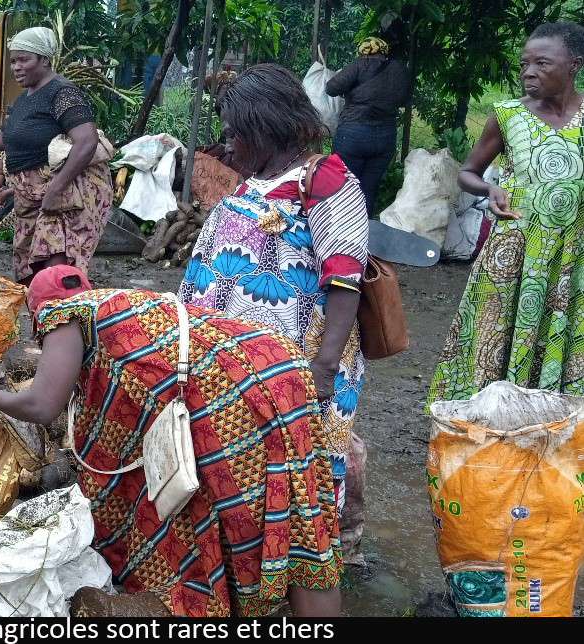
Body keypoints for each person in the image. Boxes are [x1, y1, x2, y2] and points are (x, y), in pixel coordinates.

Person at [0, 266, 342, 617]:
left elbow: (42, 404)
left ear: (35, 310)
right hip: (280, 369)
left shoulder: (64, 313)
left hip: (233, 396)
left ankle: (216, 595)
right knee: (302, 516)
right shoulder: (125, 305)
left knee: (235, 505)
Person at [179, 63, 369, 563]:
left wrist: (322, 370)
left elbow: (344, 281)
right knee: (241, 461)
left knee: (300, 470)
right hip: (237, 363)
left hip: (297, 368)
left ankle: (304, 568)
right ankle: (247, 561)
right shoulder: (256, 179)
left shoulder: (327, 179)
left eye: (237, 134)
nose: (230, 144)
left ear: (267, 128)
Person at [429, 22, 584, 403]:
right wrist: (489, 189)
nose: (528, 72)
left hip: (571, 257)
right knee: (495, 337)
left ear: (575, 65)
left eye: (542, 64)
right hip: (512, 255)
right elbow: (467, 173)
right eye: (524, 64)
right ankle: (490, 425)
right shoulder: (508, 115)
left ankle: (552, 425)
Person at [0, 27, 112, 285]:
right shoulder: (27, 98)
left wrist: (55, 189)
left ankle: (64, 321)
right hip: (29, 199)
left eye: (24, 60)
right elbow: (0, 139)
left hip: (61, 199)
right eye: (14, 60)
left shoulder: (62, 93)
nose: (16, 67)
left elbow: (87, 141)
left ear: (45, 60)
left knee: (55, 270)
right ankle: (46, 321)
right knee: (32, 272)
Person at [325, 37, 412, 216]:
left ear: (364, 52)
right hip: (385, 138)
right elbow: (405, 99)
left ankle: (340, 230)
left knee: (344, 186)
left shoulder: (360, 64)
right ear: (384, 52)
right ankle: (365, 230)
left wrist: (351, 92)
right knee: (369, 189)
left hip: (353, 136)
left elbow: (332, 88)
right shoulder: (400, 70)